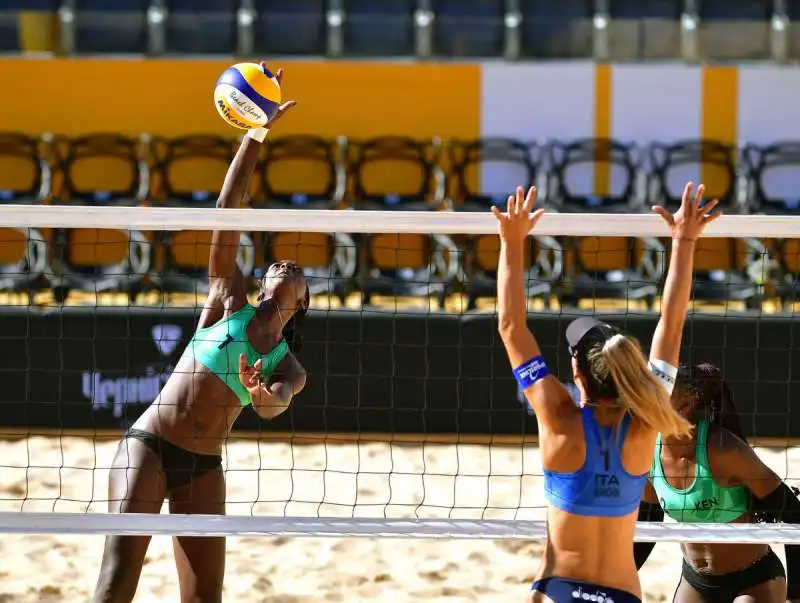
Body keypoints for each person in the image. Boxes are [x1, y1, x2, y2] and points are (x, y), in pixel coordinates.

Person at [92, 66, 306, 603]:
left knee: (205, 596)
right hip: (151, 447)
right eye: (277, 263)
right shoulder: (227, 299)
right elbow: (226, 210)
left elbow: (278, 403)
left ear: (302, 303)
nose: (284, 264)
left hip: (203, 466)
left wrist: (263, 396)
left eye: (296, 268)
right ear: (262, 283)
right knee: (117, 582)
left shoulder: (286, 362)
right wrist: (256, 135)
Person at [492, 181, 719, 603]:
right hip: (620, 594)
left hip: (558, 591)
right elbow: (671, 325)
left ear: (576, 373)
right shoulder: (647, 420)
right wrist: (685, 240)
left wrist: (512, 241)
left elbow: (510, 327)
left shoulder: (558, 418)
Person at [634, 362, 800, 603]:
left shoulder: (723, 449)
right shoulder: (647, 450)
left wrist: (796, 595)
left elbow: (794, 515)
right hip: (697, 581)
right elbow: (648, 521)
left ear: (686, 402)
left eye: (658, 393)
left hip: (753, 579)